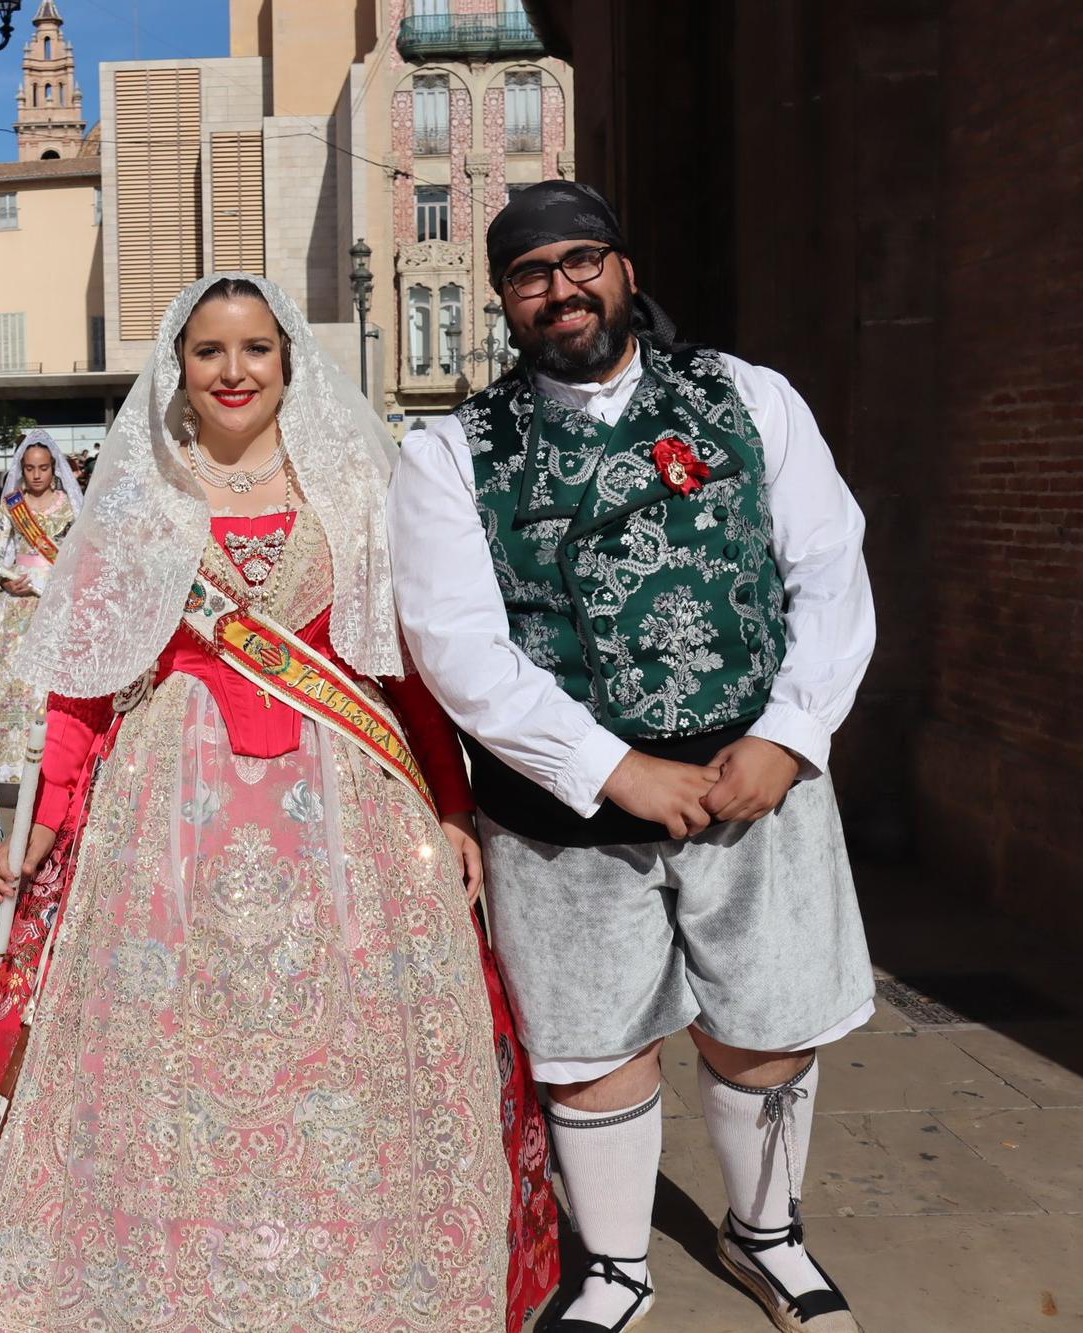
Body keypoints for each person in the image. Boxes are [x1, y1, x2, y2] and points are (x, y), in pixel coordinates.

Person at [0, 273, 555, 1332]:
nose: (233, 372)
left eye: (254, 351)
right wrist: (43, 824)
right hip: (168, 812)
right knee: (170, 1059)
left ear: (287, 363)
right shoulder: (139, 499)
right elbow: (84, 688)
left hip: (344, 808)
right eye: (208, 352)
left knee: (347, 1055)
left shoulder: (356, 490)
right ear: (176, 369)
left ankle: (354, 1271)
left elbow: (404, 669)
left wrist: (452, 805)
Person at [389, 181, 876, 1333]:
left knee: (762, 1023)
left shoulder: (746, 397)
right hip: (561, 806)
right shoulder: (451, 451)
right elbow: (454, 643)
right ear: (502, 298)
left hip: (752, 780)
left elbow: (829, 568)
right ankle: (614, 1265)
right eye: (528, 273)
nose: (559, 288)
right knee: (588, 1042)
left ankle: (765, 1236)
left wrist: (790, 731)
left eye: (579, 261)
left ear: (622, 267)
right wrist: (609, 767)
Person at [0, 428, 85, 784]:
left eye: (43, 468)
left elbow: (78, 556)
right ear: (22, 468)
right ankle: (4, 762)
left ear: (53, 469)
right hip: (14, 600)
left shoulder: (69, 506)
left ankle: (53, 764)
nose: (36, 474)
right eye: (30, 468)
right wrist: (4, 581)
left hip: (53, 598)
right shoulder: (11, 506)